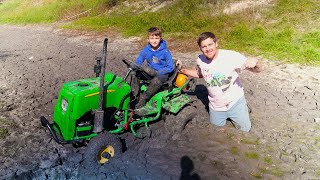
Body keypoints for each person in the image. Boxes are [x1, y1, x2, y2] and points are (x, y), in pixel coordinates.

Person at [177, 32, 262, 132]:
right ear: (200, 48)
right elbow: (200, 73)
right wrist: (183, 70)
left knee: (245, 130)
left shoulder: (230, 56)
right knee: (217, 131)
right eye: (204, 46)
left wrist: (256, 62)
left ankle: (244, 108)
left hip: (235, 103)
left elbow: (257, 70)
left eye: (210, 44)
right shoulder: (200, 60)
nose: (208, 49)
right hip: (216, 106)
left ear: (216, 43)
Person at [133, 27, 174, 111]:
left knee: (156, 80)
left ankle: (144, 97)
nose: (154, 40)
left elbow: (170, 67)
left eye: (157, 38)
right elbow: (138, 61)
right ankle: (134, 94)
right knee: (135, 73)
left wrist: (160, 72)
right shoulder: (145, 50)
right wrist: (134, 66)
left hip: (162, 74)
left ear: (160, 38)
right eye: (152, 38)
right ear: (148, 39)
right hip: (150, 71)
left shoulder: (165, 51)